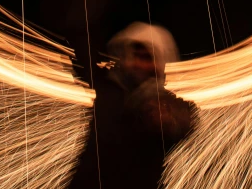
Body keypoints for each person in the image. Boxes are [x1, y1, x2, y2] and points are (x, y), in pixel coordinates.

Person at [67, 23, 197, 189]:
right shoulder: (109, 91)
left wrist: (167, 119)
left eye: (147, 58)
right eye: (136, 56)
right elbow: (81, 51)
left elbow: (182, 124)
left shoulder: (166, 103)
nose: (139, 65)